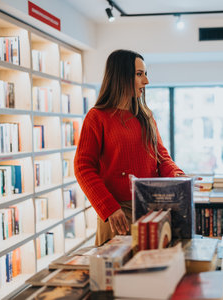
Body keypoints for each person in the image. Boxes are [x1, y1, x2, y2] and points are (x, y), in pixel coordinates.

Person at [74, 49, 184, 246]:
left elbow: (162, 157)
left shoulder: (146, 116)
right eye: (139, 74)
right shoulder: (97, 117)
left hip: (152, 210)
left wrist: (178, 177)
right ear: (121, 76)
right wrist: (108, 207)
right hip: (118, 214)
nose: (146, 81)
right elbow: (83, 167)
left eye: (145, 74)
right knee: (117, 275)